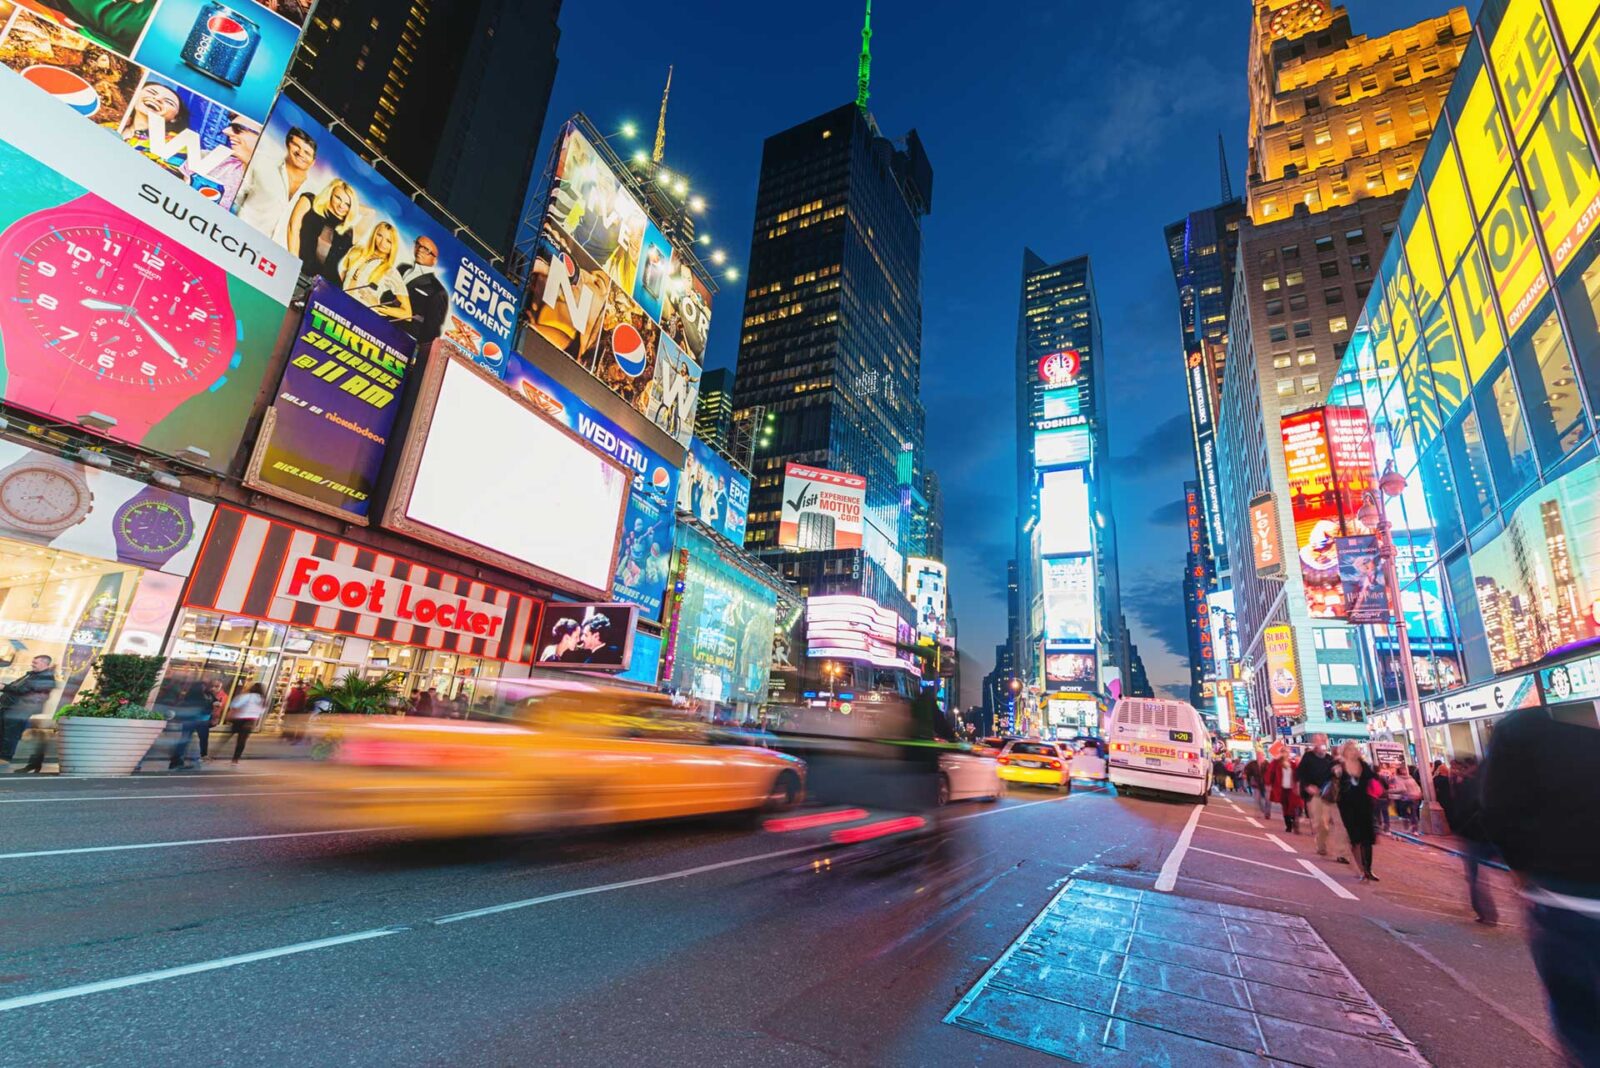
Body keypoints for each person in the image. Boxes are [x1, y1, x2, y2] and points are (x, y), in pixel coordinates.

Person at [1484, 706, 1600, 1066]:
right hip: (1562, 897)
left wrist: (1519, 866)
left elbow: (1497, 810)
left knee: (1583, 1030)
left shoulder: (1522, 733)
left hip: (1563, 898)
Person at [235, 126, 318, 244]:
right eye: (296, 146)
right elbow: (237, 196)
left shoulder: (314, 192)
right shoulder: (262, 163)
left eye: (307, 152)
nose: (300, 153)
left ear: (313, 162)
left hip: (276, 256)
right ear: (288, 144)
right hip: (240, 240)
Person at [1450, 756, 1499, 925]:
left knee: (1475, 876)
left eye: (1462, 767)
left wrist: (1459, 829)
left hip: (1474, 835)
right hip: (1487, 834)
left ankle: (1485, 912)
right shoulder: (1487, 782)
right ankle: (1486, 912)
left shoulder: (1470, 785)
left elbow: (1462, 810)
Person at [287, 179, 359, 289]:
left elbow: (370, 213)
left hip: (327, 285)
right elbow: (293, 228)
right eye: (338, 198)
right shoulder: (309, 201)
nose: (342, 206)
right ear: (330, 194)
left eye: (348, 204)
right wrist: (293, 263)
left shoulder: (347, 230)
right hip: (299, 272)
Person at [119, 81, 194, 178]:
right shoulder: (110, 124)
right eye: (151, 92)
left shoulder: (177, 143)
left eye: (168, 102)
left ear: (175, 118)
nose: (157, 99)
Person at [340, 222, 412, 321]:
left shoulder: (390, 271)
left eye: (388, 241)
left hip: (363, 318)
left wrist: (377, 306)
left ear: (393, 245)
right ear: (374, 234)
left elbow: (407, 314)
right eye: (379, 235)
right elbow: (343, 276)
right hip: (340, 306)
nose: (382, 243)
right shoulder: (356, 251)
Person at [1333, 740, 1381, 881]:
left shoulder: (1364, 765)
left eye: (1354, 749)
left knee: (1367, 838)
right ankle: (1361, 870)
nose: (1353, 751)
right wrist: (1336, 774)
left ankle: (1368, 869)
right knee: (1355, 839)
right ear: (1345, 752)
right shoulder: (1340, 766)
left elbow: (1373, 779)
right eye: (1350, 749)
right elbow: (1331, 782)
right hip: (1347, 806)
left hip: (1365, 805)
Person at [397, 236, 450, 347]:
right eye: (418, 244)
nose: (420, 249)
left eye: (426, 250)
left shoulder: (438, 290)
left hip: (403, 341)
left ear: (434, 260)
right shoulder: (402, 268)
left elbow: (431, 331)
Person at [1, 655, 56, 763]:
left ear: (44, 664)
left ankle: (4, 758)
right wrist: (6, 687)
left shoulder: (45, 677)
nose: (32, 664)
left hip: (19, 710)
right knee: (4, 732)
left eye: (35, 662)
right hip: (10, 708)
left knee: (10, 734)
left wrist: (4, 687)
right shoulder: (33, 675)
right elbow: (16, 687)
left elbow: (24, 690)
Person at [1295, 734, 1341, 858]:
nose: (1320, 742)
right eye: (1317, 740)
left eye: (1322, 740)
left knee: (1336, 824)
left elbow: (1336, 776)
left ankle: (1341, 853)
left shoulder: (1329, 759)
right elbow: (1300, 773)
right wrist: (1307, 786)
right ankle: (1321, 846)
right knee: (1321, 824)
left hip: (1329, 794)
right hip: (1315, 795)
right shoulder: (1308, 757)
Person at [167, 682, 214, 770]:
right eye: (202, 687)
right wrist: (210, 707)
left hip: (192, 720)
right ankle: (177, 761)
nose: (204, 688)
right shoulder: (196, 696)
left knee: (186, 740)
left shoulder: (196, 695)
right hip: (194, 720)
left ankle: (177, 761)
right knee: (185, 740)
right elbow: (204, 708)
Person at [227, 683, 266, 765]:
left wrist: (231, 714)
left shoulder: (248, 696)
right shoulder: (262, 700)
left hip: (239, 718)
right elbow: (261, 711)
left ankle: (213, 753)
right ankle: (235, 759)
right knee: (242, 741)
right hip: (250, 721)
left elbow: (235, 705)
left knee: (227, 737)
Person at [1268, 748, 1301, 833]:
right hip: (1282, 789)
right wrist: (1275, 759)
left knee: (1294, 806)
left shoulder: (1292, 764)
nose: (1286, 754)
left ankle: (1294, 821)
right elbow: (1270, 772)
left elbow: (1298, 774)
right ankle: (1288, 825)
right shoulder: (1277, 764)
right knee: (1285, 807)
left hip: (1291, 789)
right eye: (1284, 752)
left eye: (1287, 752)